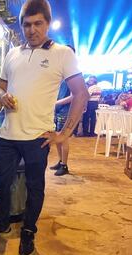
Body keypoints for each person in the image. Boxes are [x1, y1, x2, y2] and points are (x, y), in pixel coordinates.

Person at [0, 0, 88, 255]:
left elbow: (81, 94)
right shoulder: (13, 54)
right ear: (21, 25)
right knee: (1, 184)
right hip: (8, 135)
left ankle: (28, 231)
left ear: (47, 24)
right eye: (27, 24)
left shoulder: (62, 54)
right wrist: (1, 95)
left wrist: (64, 134)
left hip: (38, 137)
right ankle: (1, 223)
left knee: (35, 187)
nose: (32, 30)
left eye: (38, 24)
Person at [51, 44, 76, 176]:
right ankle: (60, 161)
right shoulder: (62, 72)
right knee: (57, 138)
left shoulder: (71, 73)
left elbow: (74, 96)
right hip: (58, 111)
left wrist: (56, 103)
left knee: (64, 138)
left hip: (65, 111)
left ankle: (64, 165)